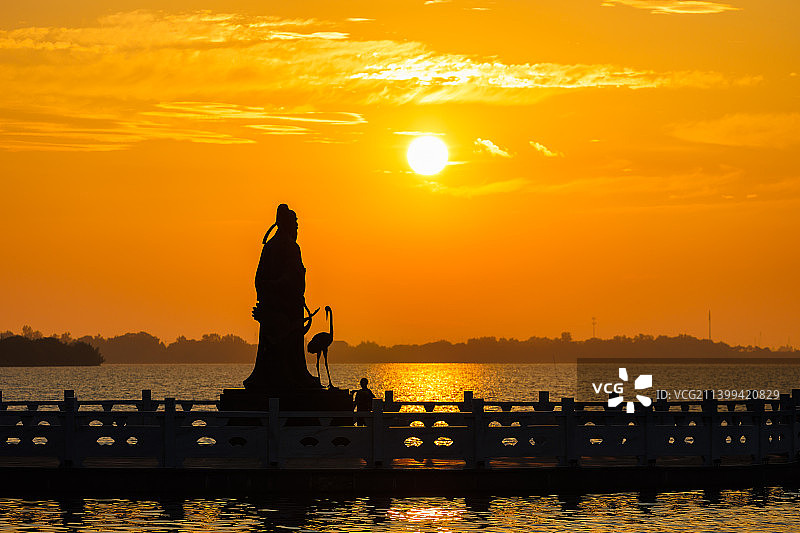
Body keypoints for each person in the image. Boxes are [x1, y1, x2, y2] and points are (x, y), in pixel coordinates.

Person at [243, 204, 320, 391]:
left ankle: (288, 374)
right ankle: (291, 376)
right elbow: (289, 276)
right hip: (284, 307)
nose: (297, 229)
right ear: (288, 224)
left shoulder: (272, 246)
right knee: (285, 342)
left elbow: (261, 279)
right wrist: (279, 288)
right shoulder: (288, 247)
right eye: (295, 225)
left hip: (280, 304)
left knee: (284, 345)